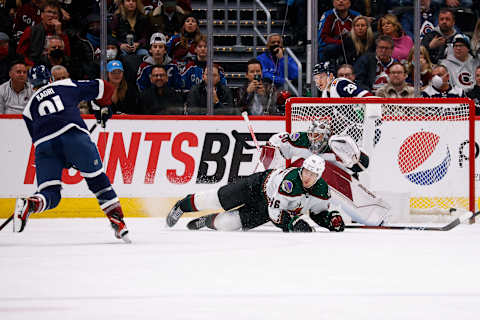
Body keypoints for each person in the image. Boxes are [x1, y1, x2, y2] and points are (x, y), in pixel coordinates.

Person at [13, 65, 131, 243]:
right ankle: (118, 222)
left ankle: (32, 203)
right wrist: (102, 107)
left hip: (45, 147)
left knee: (50, 192)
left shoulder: (27, 110)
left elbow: (37, 140)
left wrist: (61, 159)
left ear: (31, 84)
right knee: (97, 180)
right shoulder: (64, 85)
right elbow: (105, 87)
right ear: (51, 79)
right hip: (73, 136)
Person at [166, 154, 346, 233]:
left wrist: (330, 221)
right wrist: (291, 224)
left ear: (319, 176)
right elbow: (277, 214)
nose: (308, 177)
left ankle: (207, 221)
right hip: (257, 185)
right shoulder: (290, 183)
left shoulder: (323, 191)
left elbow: (318, 213)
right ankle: (182, 205)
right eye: (306, 171)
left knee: (228, 224)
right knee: (217, 199)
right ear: (302, 169)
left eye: (313, 174)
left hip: (265, 208)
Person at [16, 0, 71, 66]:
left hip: (56, 68)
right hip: (34, 66)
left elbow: (67, 56)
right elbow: (20, 55)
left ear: (58, 17)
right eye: (49, 12)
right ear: (42, 15)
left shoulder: (62, 33)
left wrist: (59, 33)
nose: (51, 15)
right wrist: (33, 66)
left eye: (55, 13)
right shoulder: (31, 31)